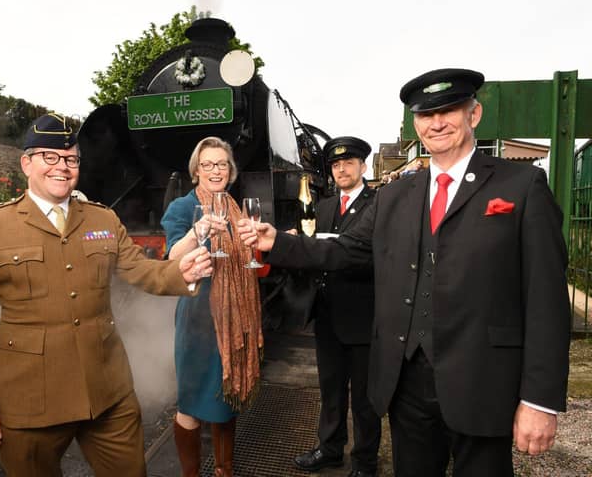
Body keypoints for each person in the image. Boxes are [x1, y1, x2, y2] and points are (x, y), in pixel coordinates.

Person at [238, 69, 571, 476]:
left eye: (450, 110)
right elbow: (348, 249)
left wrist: (539, 400)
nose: (438, 122)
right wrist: (280, 242)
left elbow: (547, 301)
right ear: (416, 124)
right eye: (426, 114)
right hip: (406, 383)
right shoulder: (396, 195)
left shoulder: (521, 185)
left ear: (475, 114)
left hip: (483, 382)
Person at [0, 113, 212, 477]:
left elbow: (139, 270)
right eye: (50, 157)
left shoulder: (102, 220)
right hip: (29, 403)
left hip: (109, 395)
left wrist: (179, 272)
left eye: (71, 159)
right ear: (27, 163)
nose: (63, 166)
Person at [160, 136, 263, 477]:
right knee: (190, 403)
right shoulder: (181, 207)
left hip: (235, 318)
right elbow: (172, 256)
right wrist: (197, 231)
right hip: (199, 320)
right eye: (207, 164)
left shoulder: (237, 208)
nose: (215, 170)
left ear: (230, 170)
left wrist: (266, 246)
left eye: (221, 164)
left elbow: (253, 261)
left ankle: (224, 471)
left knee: (226, 400)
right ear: (196, 171)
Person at [293, 136, 380, 477]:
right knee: (330, 390)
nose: (342, 169)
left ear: (363, 166)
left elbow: (379, 256)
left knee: (364, 398)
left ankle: (365, 463)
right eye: (336, 164)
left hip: (363, 314)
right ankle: (330, 450)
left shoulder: (380, 204)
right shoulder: (324, 206)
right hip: (328, 313)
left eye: (349, 163)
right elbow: (310, 248)